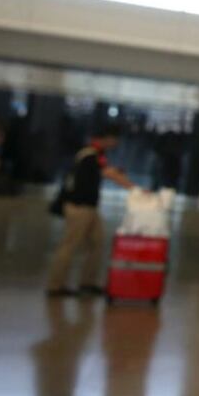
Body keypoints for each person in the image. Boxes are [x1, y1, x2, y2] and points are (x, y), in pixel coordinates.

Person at [46, 123, 138, 297]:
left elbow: (107, 171)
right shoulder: (89, 154)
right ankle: (55, 285)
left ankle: (87, 283)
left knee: (97, 243)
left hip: (89, 207)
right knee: (69, 245)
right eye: (114, 140)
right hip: (78, 207)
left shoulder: (96, 154)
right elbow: (109, 174)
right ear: (107, 138)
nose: (116, 144)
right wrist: (135, 189)